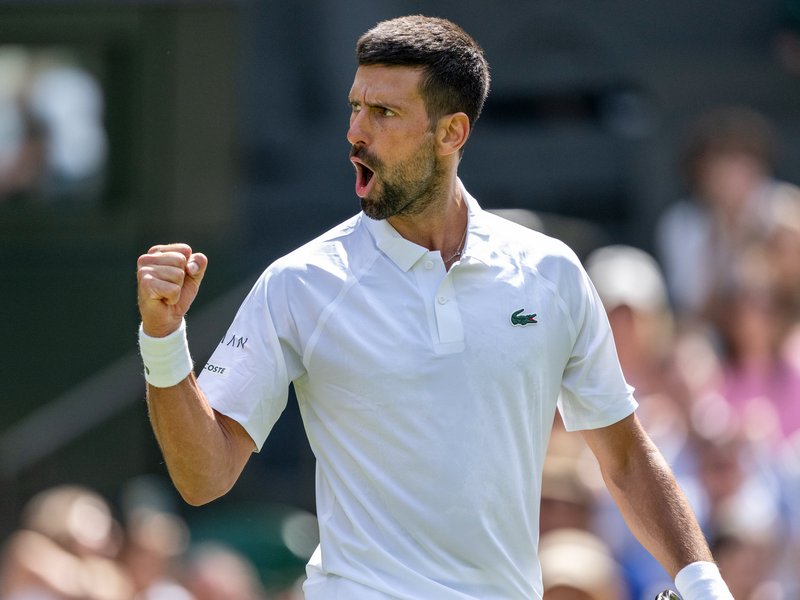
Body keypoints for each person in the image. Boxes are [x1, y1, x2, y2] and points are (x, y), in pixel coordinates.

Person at [136, 15, 732, 600]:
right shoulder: (298, 284)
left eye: (384, 112)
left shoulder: (551, 273)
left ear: (451, 134)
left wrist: (705, 585)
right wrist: (163, 339)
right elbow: (203, 476)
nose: (356, 132)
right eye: (354, 107)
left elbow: (625, 458)